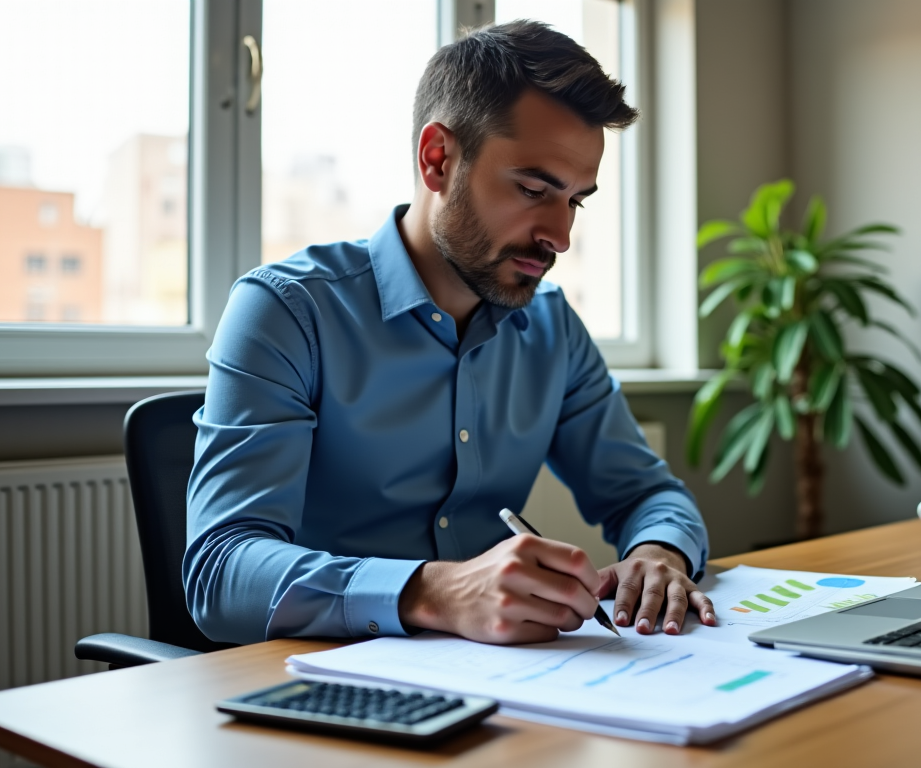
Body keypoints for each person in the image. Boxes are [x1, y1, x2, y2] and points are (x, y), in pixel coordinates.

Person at [184, 20, 716, 646]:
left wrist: (659, 555)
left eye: (574, 201)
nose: (560, 235)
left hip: (500, 687)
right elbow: (221, 572)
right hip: (318, 687)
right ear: (438, 159)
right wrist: (436, 592)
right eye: (533, 189)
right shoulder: (287, 311)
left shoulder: (551, 327)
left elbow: (648, 494)